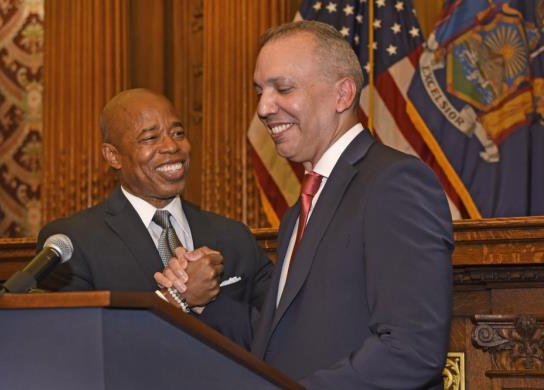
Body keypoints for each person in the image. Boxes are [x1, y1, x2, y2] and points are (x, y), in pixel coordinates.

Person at [249, 21, 453, 389]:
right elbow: (284, 337)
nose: (263, 107)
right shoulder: (300, 210)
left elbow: (413, 347)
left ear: (343, 94)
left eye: (283, 88)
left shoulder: (394, 183)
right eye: (260, 91)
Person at [37, 89, 272, 346]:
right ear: (113, 156)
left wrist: (209, 304)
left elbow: (274, 336)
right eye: (150, 138)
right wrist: (176, 300)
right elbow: (76, 344)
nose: (171, 146)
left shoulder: (234, 236)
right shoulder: (74, 243)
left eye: (178, 133)